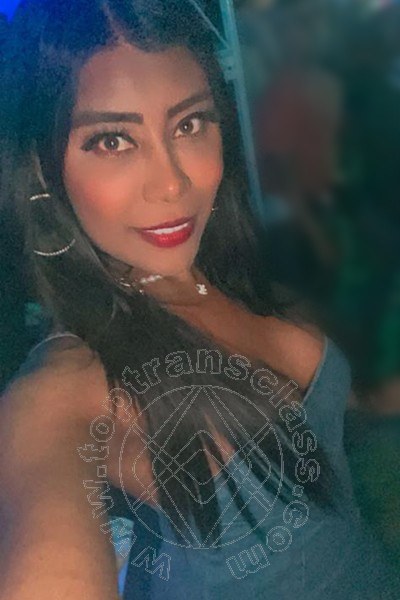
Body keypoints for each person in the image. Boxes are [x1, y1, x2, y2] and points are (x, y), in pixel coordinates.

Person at [0, 1, 398, 599]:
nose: (173, 183)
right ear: (42, 170)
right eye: (113, 140)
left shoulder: (229, 274)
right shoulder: (63, 388)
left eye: (188, 125)